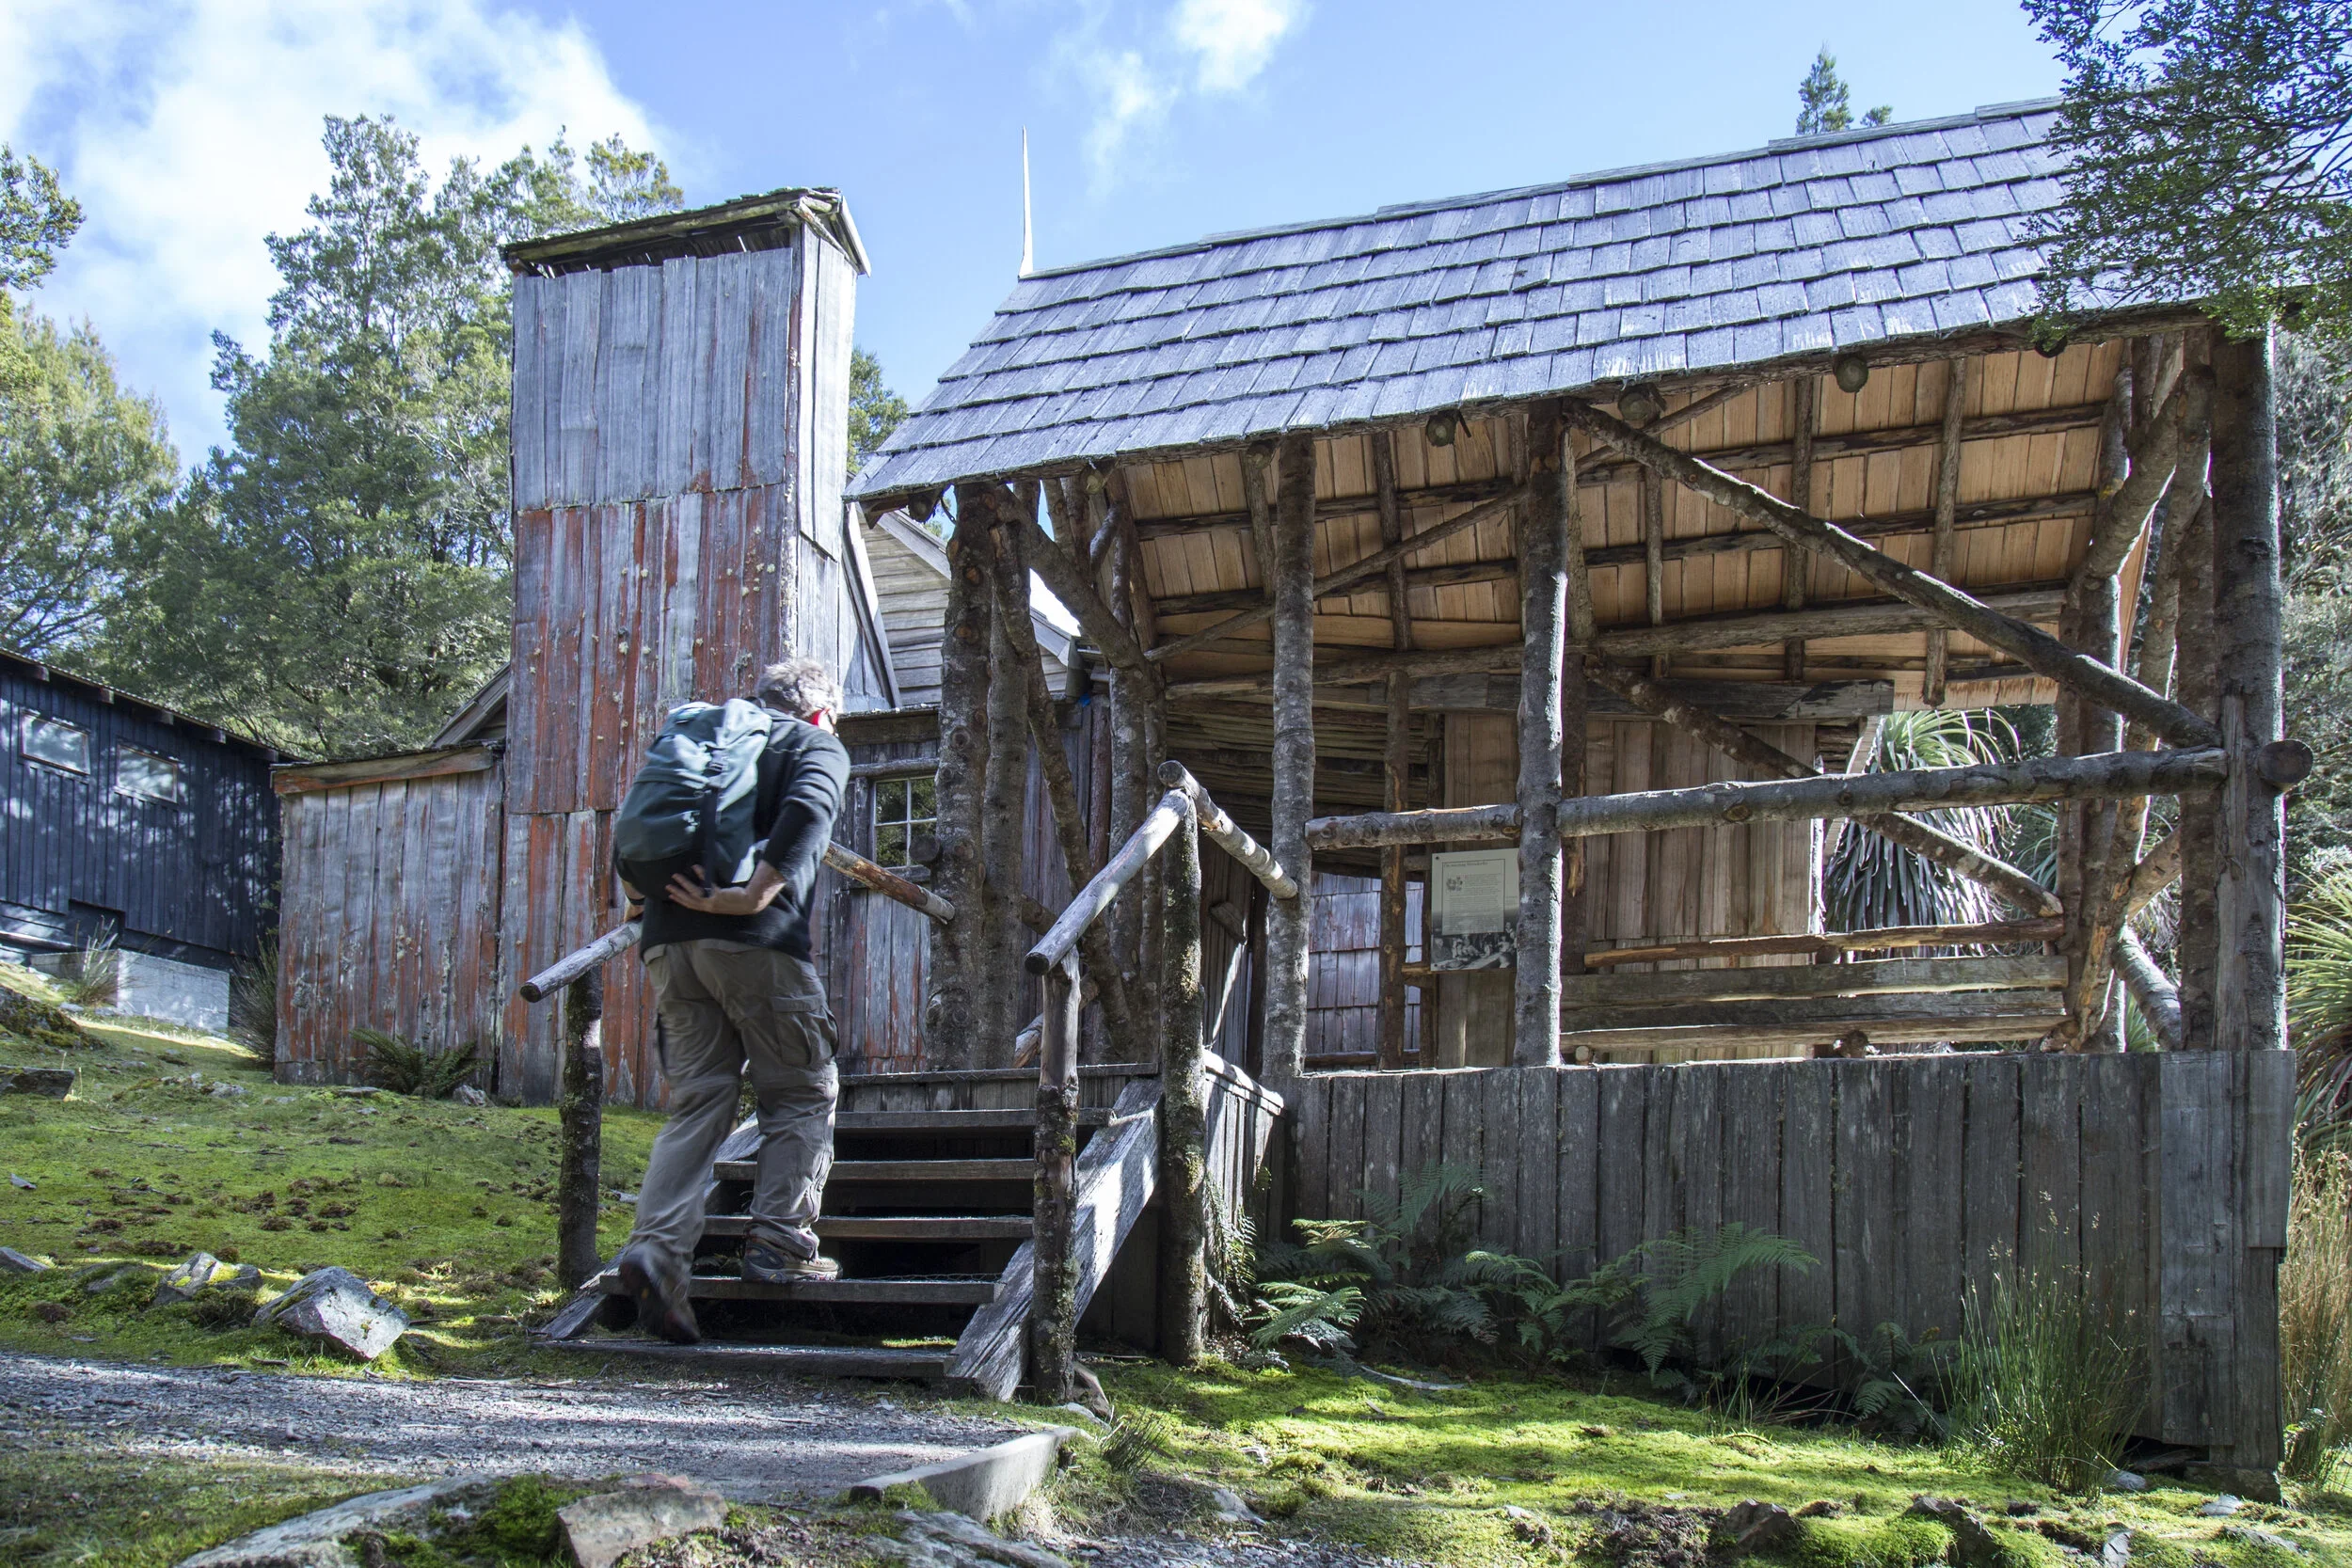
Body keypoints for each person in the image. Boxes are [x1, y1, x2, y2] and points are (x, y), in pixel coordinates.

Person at [612, 657, 851, 1345]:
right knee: (802, 1088)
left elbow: (630, 830)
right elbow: (809, 808)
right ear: (819, 711)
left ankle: (656, 1252)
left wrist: (642, 904)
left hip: (669, 940)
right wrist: (752, 894)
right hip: (756, 942)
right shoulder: (813, 743)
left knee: (699, 1101)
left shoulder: (700, 742)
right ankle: (780, 1242)